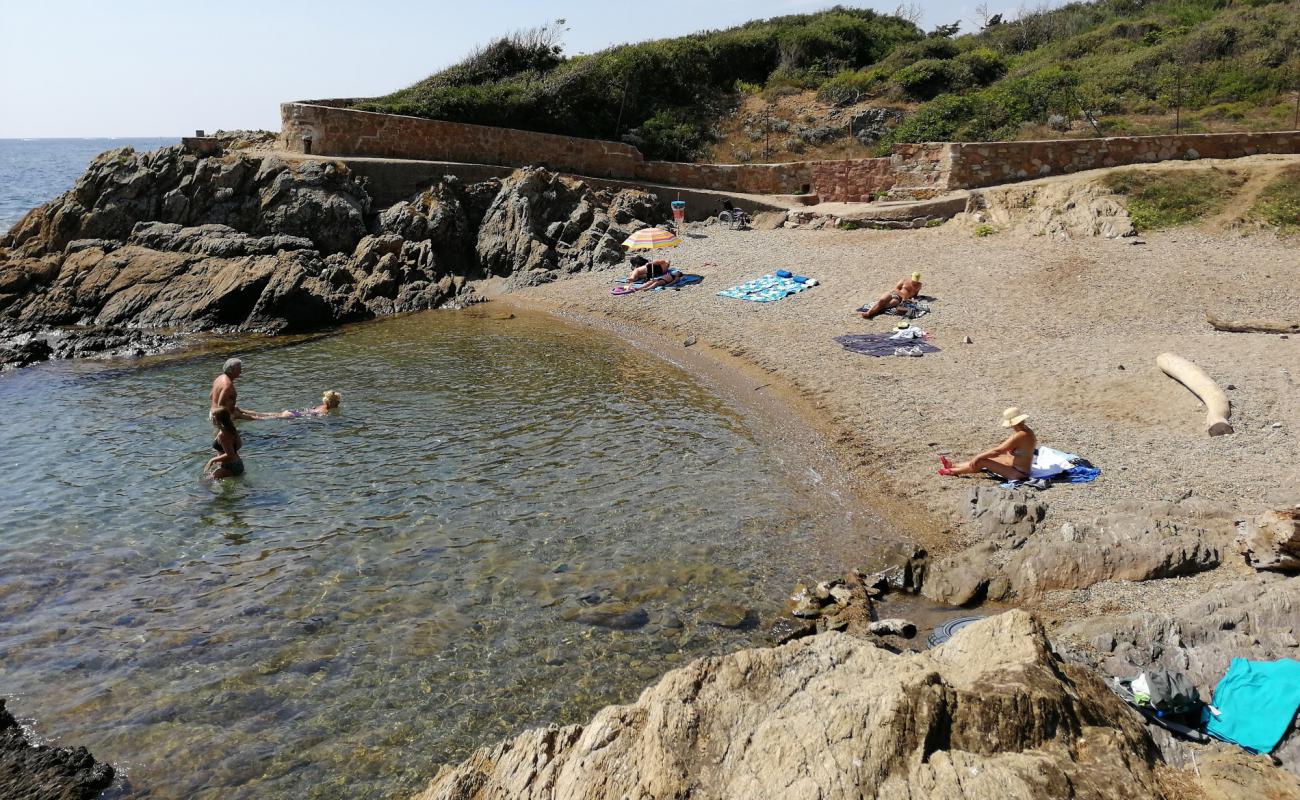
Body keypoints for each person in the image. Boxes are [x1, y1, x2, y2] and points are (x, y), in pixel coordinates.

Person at [939, 407, 1037, 480]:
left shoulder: (1020, 435)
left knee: (982, 461)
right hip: (1018, 467)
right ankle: (954, 465)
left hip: (1018, 473)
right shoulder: (1027, 430)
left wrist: (978, 456)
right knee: (988, 457)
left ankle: (952, 471)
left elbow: (997, 451)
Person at [204, 407, 244, 478]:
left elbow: (230, 454)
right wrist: (221, 455)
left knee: (205, 482)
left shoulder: (223, 435)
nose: (211, 418)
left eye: (213, 416)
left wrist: (212, 460)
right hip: (237, 463)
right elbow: (239, 445)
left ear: (218, 420)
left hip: (229, 466)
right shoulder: (231, 429)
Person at [277, 390, 342, 418]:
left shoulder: (321, 406)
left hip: (293, 412)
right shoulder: (325, 411)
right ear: (330, 402)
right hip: (294, 416)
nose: (338, 402)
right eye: (337, 401)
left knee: (271, 415)